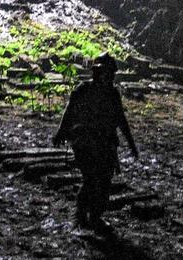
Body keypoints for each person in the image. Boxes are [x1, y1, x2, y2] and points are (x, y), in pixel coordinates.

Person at [52, 53, 139, 232]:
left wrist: (131, 144)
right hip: (85, 141)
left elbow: (120, 119)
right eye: (105, 72)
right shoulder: (83, 90)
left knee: (105, 180)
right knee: (91, 179)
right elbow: (69, 112)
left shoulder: (113, 94)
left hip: (106, 143)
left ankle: (95, 216)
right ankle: (81, 219)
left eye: (110, 73)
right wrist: (61, 131)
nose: (108, 76)